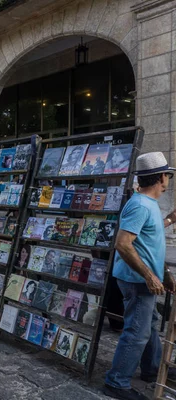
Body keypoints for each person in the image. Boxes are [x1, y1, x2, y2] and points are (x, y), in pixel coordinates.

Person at [104, 152, 176, 400]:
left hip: (144, 279)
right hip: (137, 280)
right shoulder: (139, 204)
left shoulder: (148, 204)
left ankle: (151, 369)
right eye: (168, 174)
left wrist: (164, 274)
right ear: (161, 178)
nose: (169, 179)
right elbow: (123, 244)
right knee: (137, 331)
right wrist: (149, 276)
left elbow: (150, 236)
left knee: (149, 325)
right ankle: (116, 381)